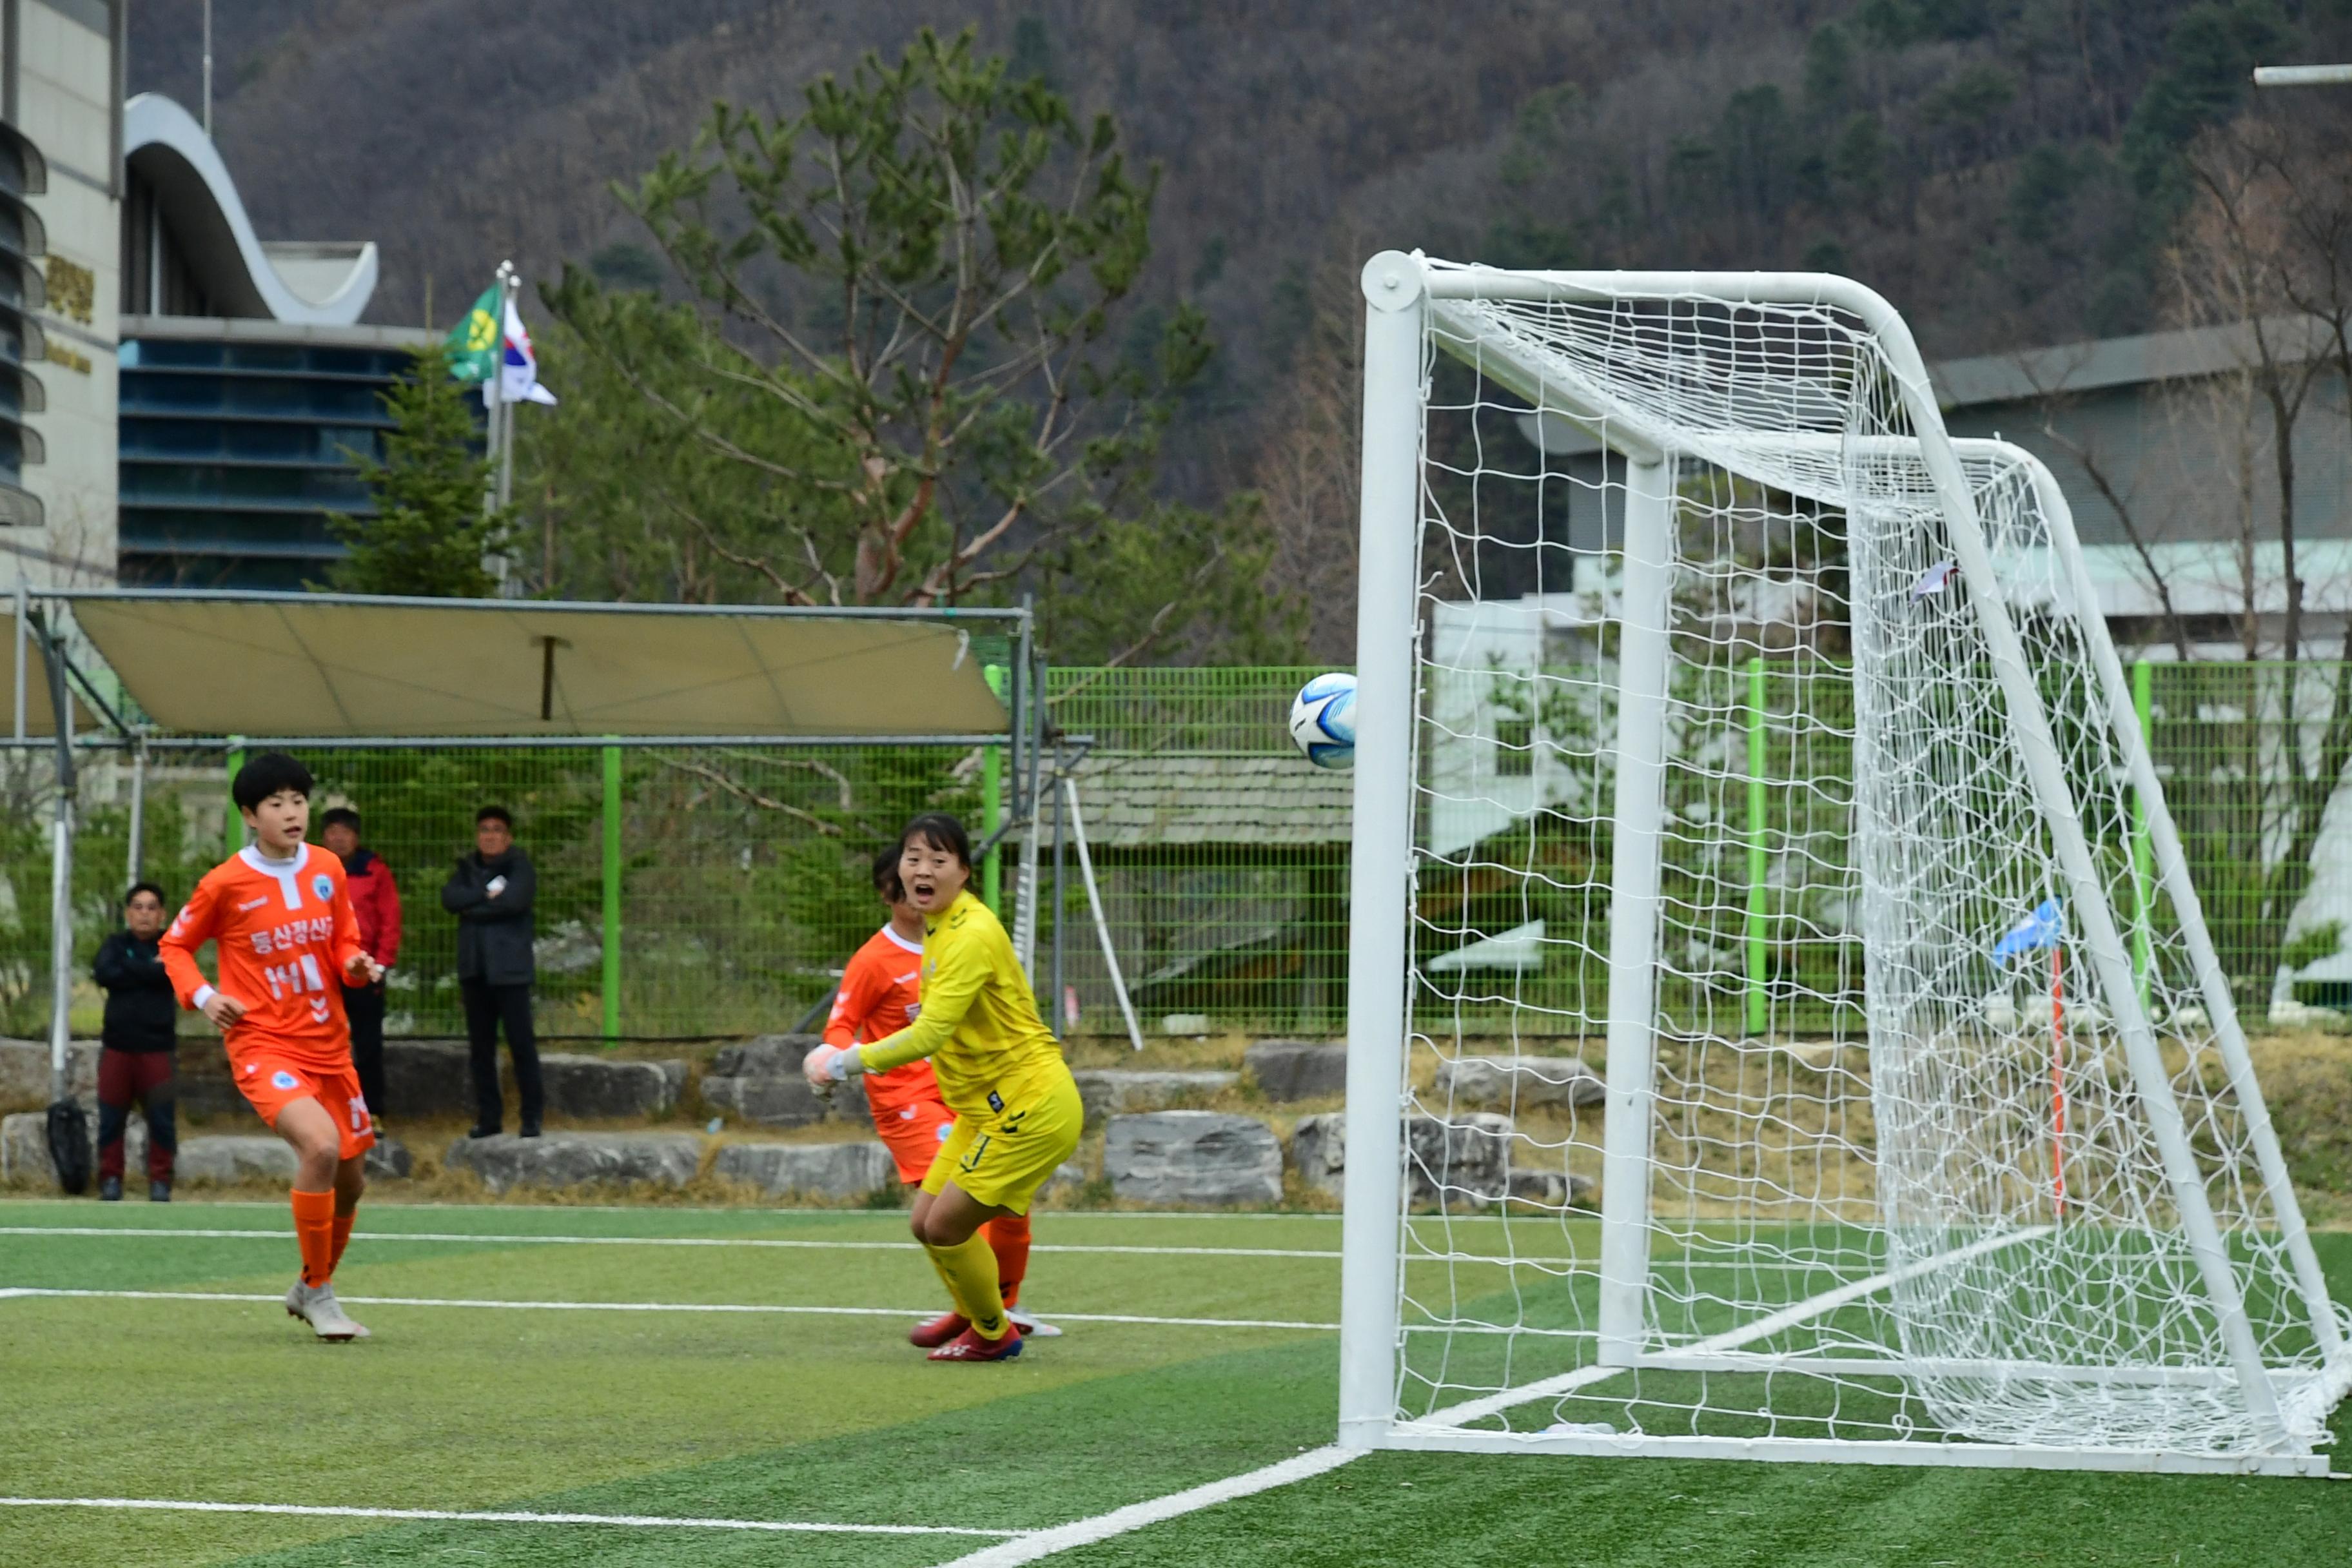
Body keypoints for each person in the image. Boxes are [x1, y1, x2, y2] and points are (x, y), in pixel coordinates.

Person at [805, 813, 1083, 1362]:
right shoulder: (938, 926)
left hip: (1028, 1104)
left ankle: (992, 1332)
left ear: (963, 872)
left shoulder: (970, 934)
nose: (923, 870)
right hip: (983, 1108)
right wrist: (837, 1051)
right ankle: (975, 1310)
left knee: (948, 1224)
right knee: (926, 1224)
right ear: (897, 876)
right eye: (914, 859)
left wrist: (841, 1065)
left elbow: (930, 1032)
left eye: (938, 860)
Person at [159, 752, 382, 1341]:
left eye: (299, 801)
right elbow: (175, 946)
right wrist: (205, 997)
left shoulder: (328, 868)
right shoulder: (225, 882)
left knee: (353, 1180)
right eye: (277, 803)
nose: (292, 813)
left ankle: (310, 1286)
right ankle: (322, 1293)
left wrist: (356, 966)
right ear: (249, 816)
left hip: (330, 1045)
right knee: (321, 1147)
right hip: (264, 1044)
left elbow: (343, 947)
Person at [441, 805, 541, 1139]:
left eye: (497, 830)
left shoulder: (521, 867)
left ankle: (531, 1117)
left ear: (508, 837)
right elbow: (451, 899)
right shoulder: (467, 868)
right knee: (481, 1050)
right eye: (485, 829)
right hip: (475, 972)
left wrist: (474, 909)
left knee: (521, 1045)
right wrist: (484, 896)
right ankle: (489, 1118)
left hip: (510, 973)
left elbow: (514, 902)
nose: (490, 836)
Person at [90, 881, 180, 1202]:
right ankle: (111, 1180)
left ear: (162, 914)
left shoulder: (173, 945)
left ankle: (160, 1182)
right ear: (128, 913)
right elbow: (104, 974)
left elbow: (172, 976)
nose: (144, 914)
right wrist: (148, 971)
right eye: (138, 907)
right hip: (117, 1048)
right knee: (111, 1119)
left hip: (158, 1051)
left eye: (151, 907)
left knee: (162, 1120)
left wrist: (131, 972)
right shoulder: (115, 944)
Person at [319, 807, 400, 1135]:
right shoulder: (311, 871)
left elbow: (390, 920)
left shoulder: (375, 871)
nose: (338, 839)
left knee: (367, 1047)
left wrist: (380, 965)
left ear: (357, 837)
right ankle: (323, 1113)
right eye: (332, 831)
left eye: (345, 832)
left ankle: (371, 1113)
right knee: (323, 1045)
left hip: (365, 972)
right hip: (323, 975)